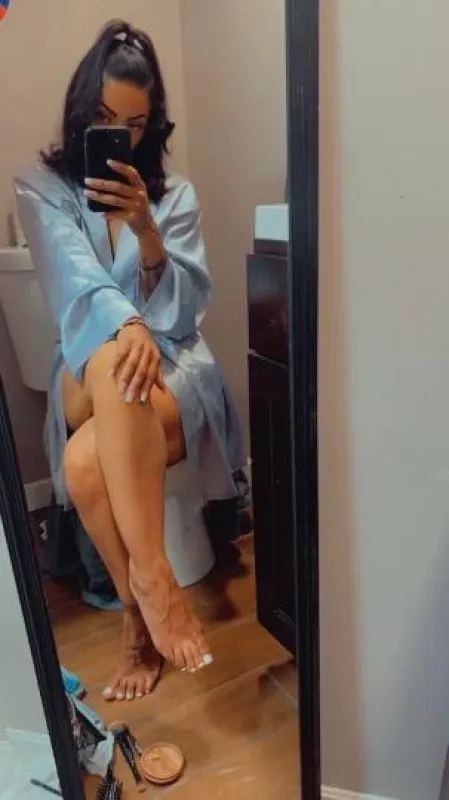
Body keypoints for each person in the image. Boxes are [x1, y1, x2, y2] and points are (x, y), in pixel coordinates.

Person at [14, 20, 246, 702]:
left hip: (171, 365)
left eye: (136, 125)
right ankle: (155, 578)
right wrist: (126, 324)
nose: (121, 134)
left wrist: (147, 231)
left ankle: (136, 620)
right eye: (105, 118)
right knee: (115, 351)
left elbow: (184, 312)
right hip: (88, 363)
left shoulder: (175, 197)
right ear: (81, 110)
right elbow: (73, 283)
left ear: (153, 125)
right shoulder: (40, 187)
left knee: (86, 463)